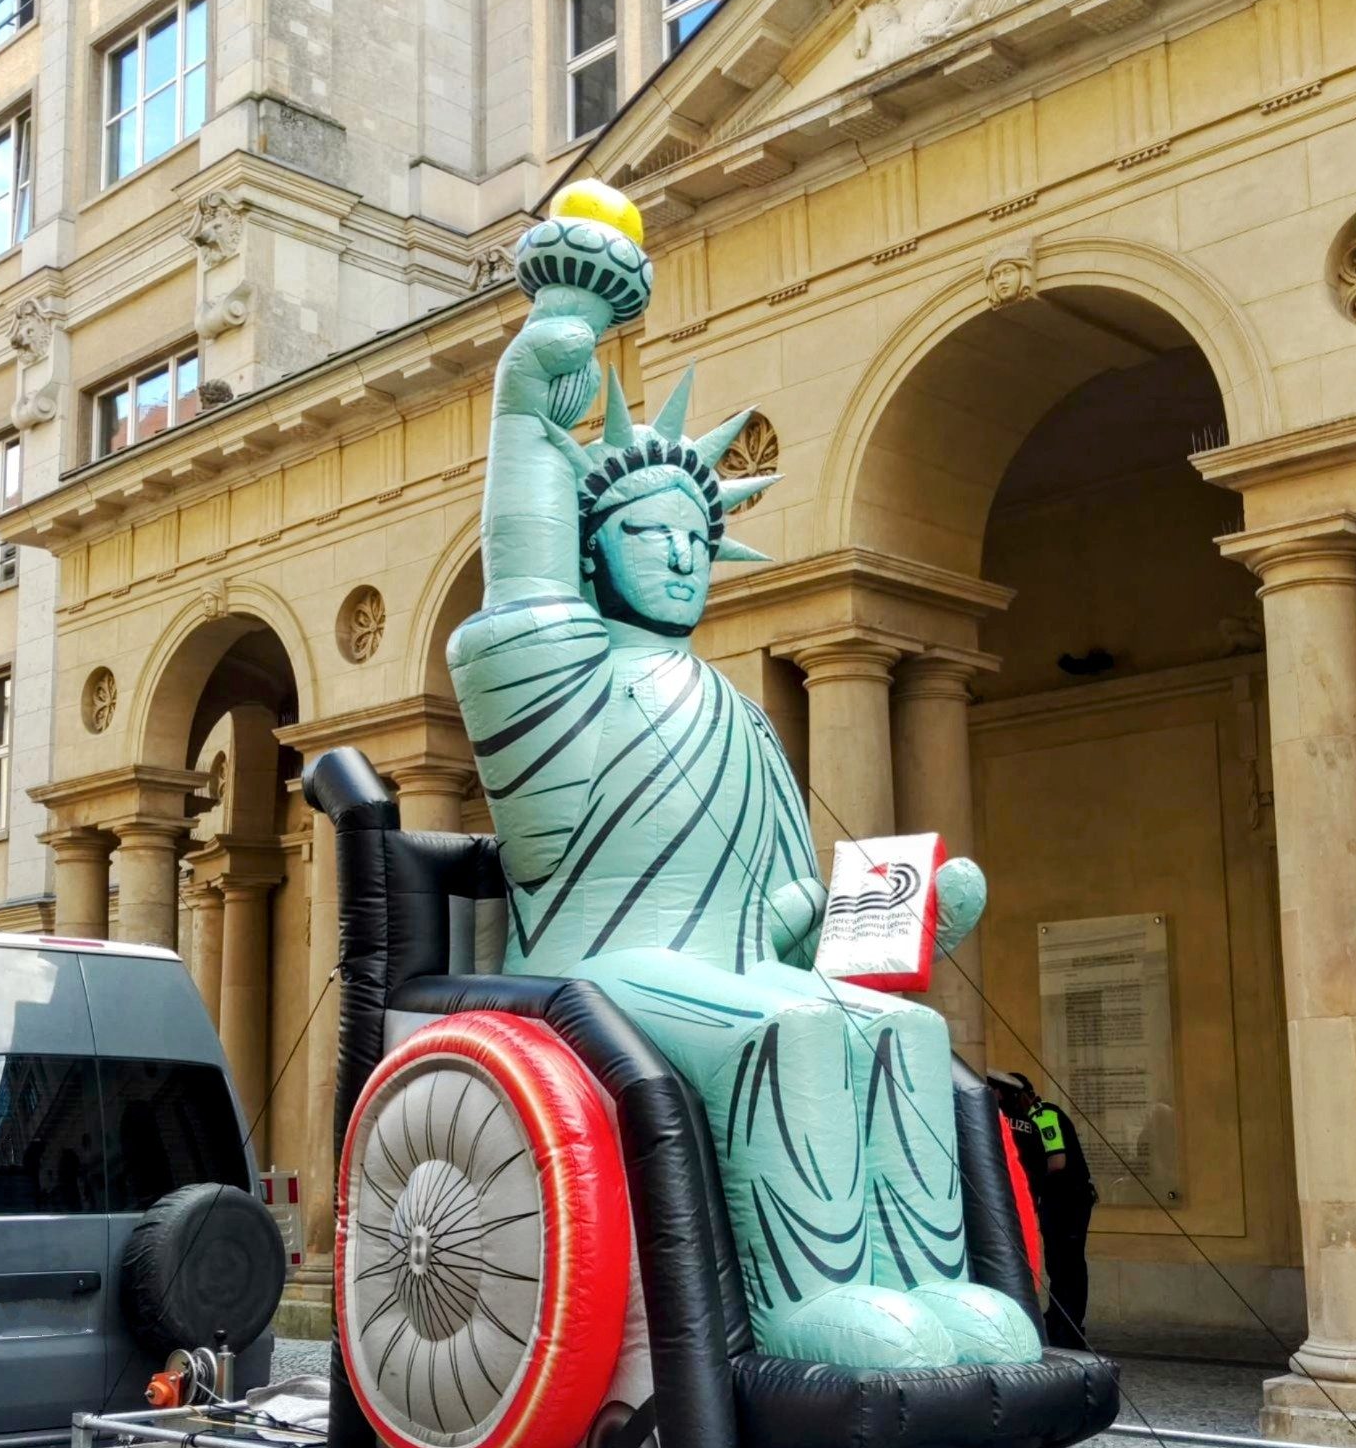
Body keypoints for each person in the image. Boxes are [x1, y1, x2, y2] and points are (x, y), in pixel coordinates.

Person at [446, 182, 1041, 1375]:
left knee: (896, 1029)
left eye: (693, 539)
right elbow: (520, 550)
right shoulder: (552, 670)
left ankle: (930, 1294)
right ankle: (808, 1301)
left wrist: (894, 915)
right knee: (792, 1032)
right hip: (595, 973)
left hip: (723, 970)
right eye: (645, 535)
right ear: (591, 553)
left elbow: (778, 923)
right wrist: (534, 383)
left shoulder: (732, 710)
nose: (676, 555)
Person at [989, 1071, 1097, 1348]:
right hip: (1058, 1201)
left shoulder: (1043, 1115)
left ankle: (1069, 1327)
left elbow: (1057, 1161)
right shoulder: (1031, 1119)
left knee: (1066, 1265)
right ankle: (1058, 1320)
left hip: (1067, 1200)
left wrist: (1028, 1177)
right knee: (1058, 1265)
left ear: (1022, 1095)